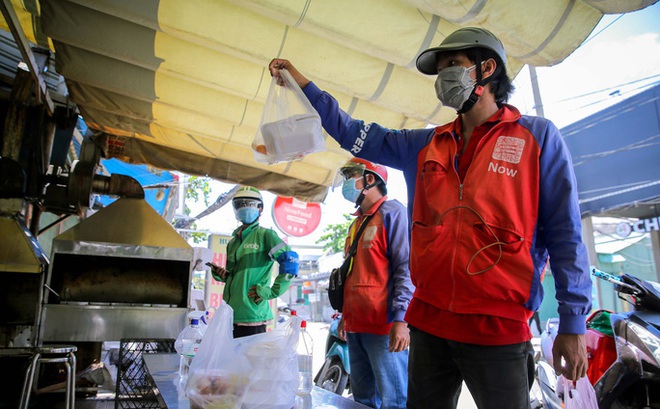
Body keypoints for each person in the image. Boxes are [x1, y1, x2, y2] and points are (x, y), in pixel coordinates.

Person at [268, 26, 591, 409]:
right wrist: (301, 84)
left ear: (486, 69)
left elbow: (565, 234)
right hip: (430, 327)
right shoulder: (424, 145)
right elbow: (353, 132)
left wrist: (573, 323)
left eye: (453, 64)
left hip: (499, 329)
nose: (443, 79)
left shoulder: (536, 138)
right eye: (440, 70)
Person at [333, 157, 414, 409]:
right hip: (356, 326)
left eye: (351, 176)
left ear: (369, 179)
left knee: (395, 401)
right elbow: (353, 275)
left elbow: (406, 267)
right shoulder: (356, 223)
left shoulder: (393, 213)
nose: (347, 183)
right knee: (363, 400)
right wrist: (345, 317)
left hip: (384, 327)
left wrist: (401, 320)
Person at [208, 185, 299, 338]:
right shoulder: (233, 243)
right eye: (240, 204)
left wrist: (272, 292)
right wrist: (223, 275)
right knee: (232, 361)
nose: (244, 207)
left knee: (249, 362)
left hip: (252, 316)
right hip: (230, 315)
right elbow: (235, 276)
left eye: (249, 203)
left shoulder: (265, 235)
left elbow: (291, 261)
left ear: (260, 208)